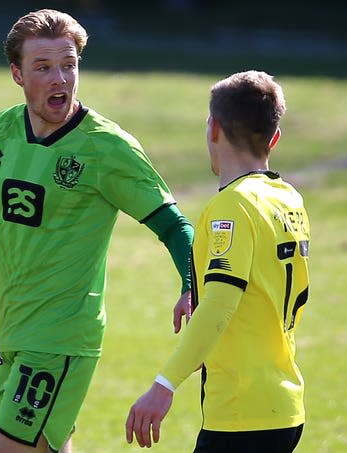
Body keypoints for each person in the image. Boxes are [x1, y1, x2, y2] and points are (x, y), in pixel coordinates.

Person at [0, 9, 194, 453]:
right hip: (8, 331)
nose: (60, 79)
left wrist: (191, 282)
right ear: (17, 73)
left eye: (69, 65)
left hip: (60, 338)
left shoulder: (107, 148)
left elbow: (174, 225)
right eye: (44, 67)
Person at [125, 70, 311, 453]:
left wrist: (164, 385)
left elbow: (221, 305)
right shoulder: (288, 199)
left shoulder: (231, 206)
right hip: (284, 403)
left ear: (213, 129)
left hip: (243, 412)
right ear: (274, 138)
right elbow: (253, 289)